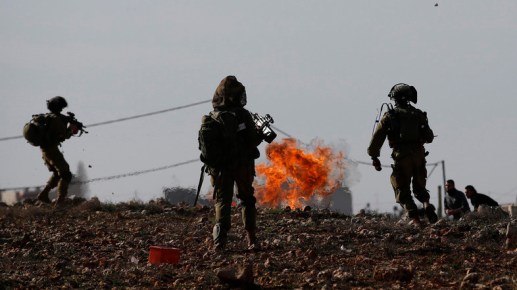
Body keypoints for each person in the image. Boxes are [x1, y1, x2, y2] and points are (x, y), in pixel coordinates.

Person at [367, 83, 438, 226]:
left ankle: (416, 220)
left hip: (402, 156)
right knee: (420, 187)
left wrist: (374, 157)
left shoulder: (390, 116)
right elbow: (429, 138)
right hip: (419, 155)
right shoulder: (418, 114)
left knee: (401, 188)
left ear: (395, 98)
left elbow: (377, 139)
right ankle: (426, 205)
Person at [209, 76, 262, 251]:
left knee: (222, 201)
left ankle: (219, 243)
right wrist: (260, 134)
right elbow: (252, 140)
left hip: (220, 168)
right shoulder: (243, 114)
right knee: (247, 200)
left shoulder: (213, 117)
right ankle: (252, 240)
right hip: (242, 165)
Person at [36, 96, 79, 206]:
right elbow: (64, 135)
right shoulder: (56, 119)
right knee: (66, 174)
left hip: (45, 150)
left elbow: (57, 136)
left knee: (57, 173)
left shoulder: (48, 117)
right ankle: (60, 202)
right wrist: (71, 128)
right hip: (51, 150)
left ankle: (43, 195)